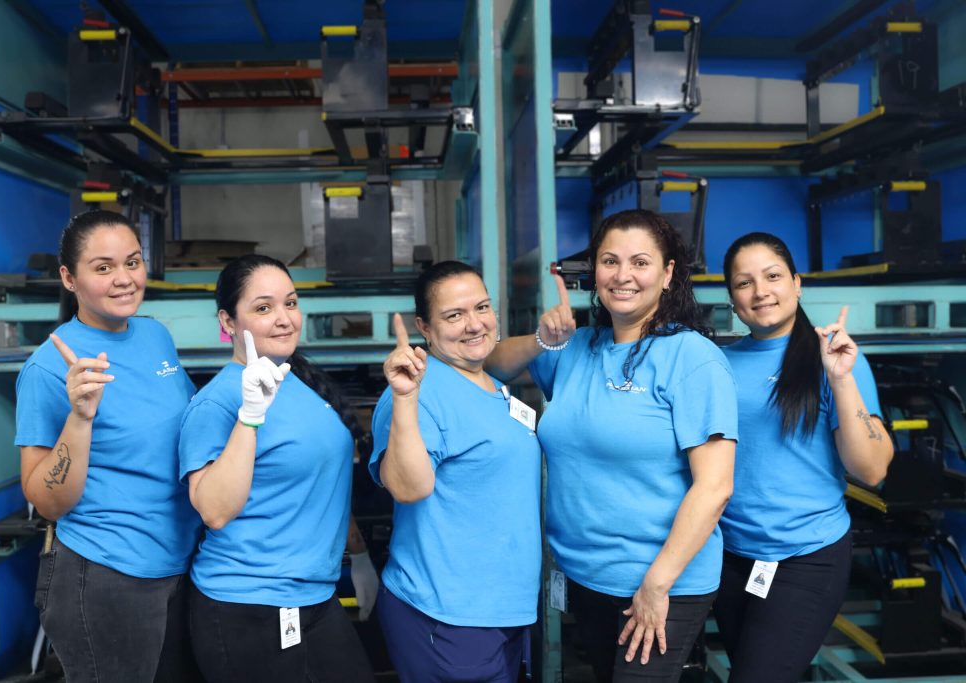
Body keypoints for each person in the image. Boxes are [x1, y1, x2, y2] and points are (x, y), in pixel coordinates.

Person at [487, 208, 737, 683]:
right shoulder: (578, 348)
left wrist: (656, 585)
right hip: (586, 577)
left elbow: (716, 486)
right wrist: (542, 339)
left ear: (667, 275)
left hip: (661, 580)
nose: (623, 276)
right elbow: (492, 364)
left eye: (640, 263)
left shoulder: (691, 357)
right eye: (610, 261)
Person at [15, 210, 200, 682]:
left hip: (178, 561)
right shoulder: (49, 369)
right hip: (107, 574)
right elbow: (45, 498)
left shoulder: (155, 334)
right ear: (69, 278)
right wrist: (80, 417)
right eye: (103, 268)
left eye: (132, 262)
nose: (124, 280)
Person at [178, 254, 376, 683]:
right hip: (250, 606)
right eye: (263, 308)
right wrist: (249, 417)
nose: (284, 318)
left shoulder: (299, 383)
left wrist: (358, 554)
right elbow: (213, 509)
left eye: (290, 303)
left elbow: (319, 481)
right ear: (228, 322)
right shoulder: (218, 403)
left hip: (315, 597)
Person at [714, 232, 894, 682]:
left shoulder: (834, 358)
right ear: (733, 300)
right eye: (744, 283)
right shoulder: (715, 363)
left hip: (806, 557)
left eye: (773, 276)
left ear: (797, 283)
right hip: (730, 557)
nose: (761, 291)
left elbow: (871, 469)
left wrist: (841, 379)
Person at [370, 260, 542, 682]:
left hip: (503, 608)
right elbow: (408, 487)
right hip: (446, 614)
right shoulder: (416, 392)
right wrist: (405, 399)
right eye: (454, 315)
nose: (474, 324)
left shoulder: (491, 384)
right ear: (424, 328)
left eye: (482, 308)